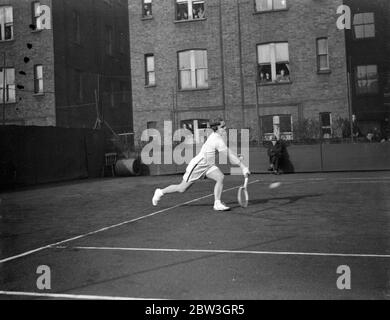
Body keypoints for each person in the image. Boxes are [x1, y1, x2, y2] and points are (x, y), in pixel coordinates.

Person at [152, 119, 250, 211]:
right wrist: (243, 167)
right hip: (198, 166)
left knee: (220, 177)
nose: (225, 128)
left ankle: (217, 203)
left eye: (225, 126)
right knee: (182, 188)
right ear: (216, 128)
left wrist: (236, 156)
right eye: (223, 126)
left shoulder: (218, 138)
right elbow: (228, 154)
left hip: (208, 165)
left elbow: (227, 152)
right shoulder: (217, 139)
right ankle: (160, 192)